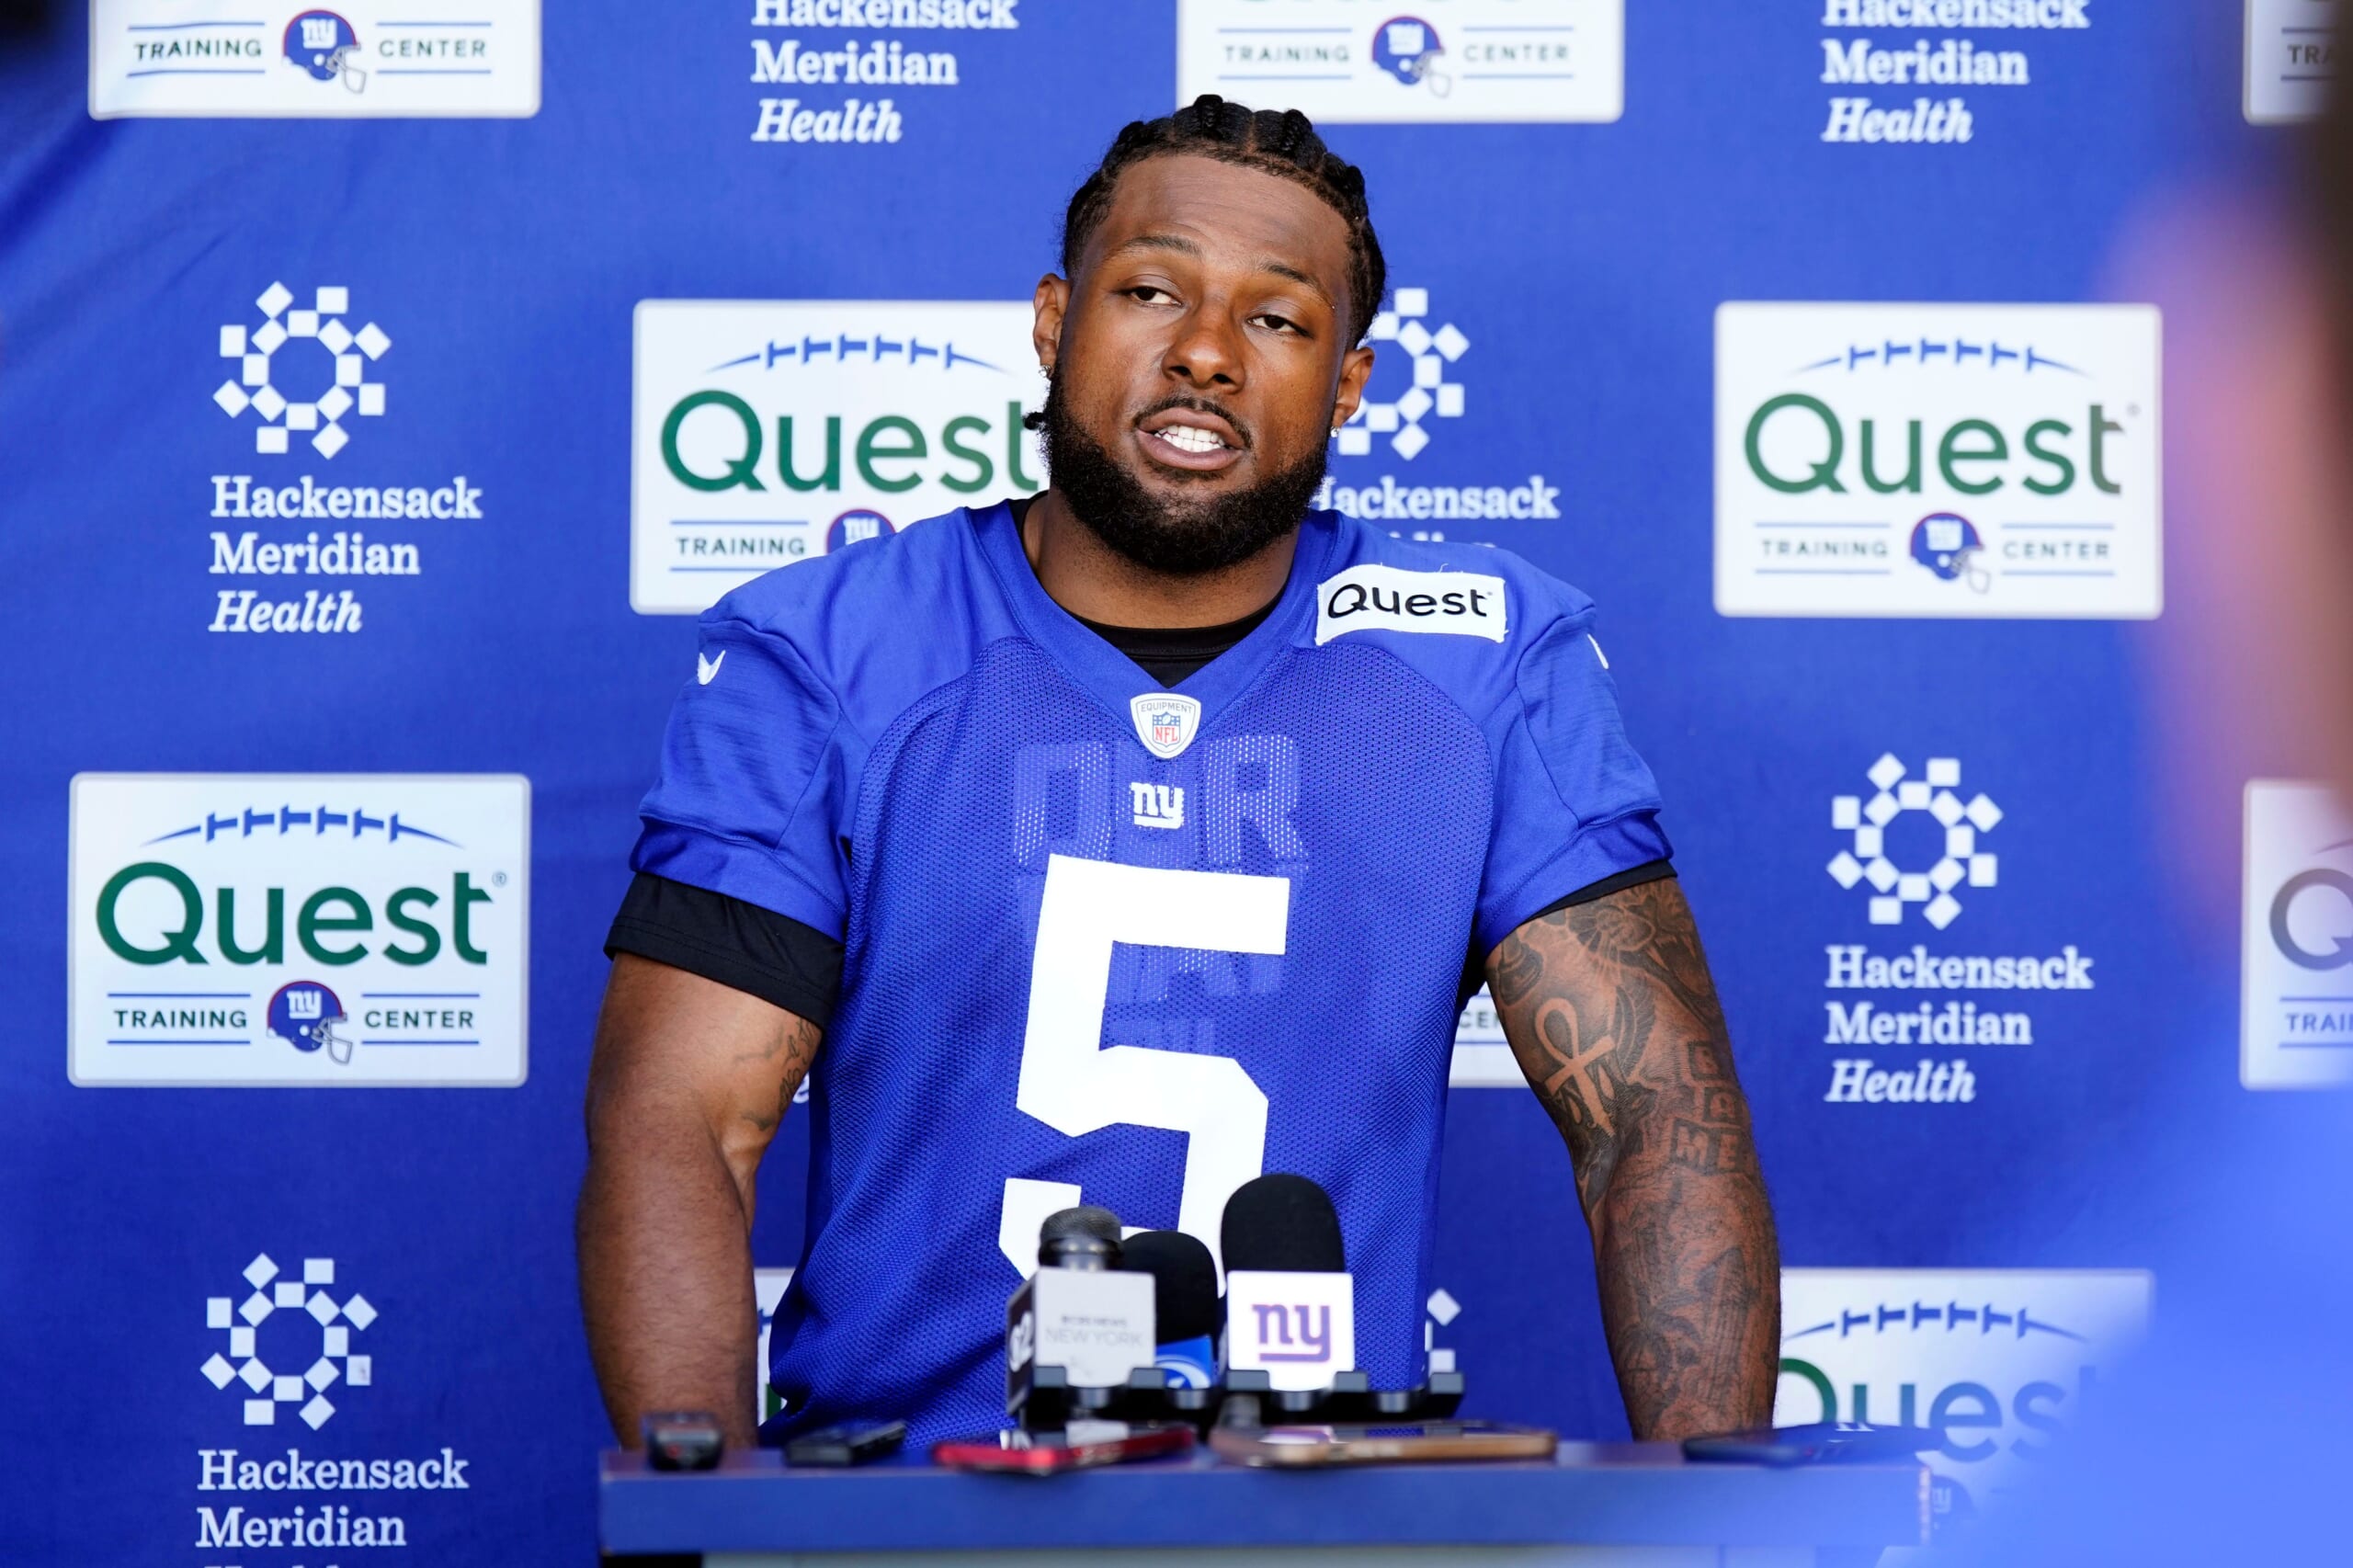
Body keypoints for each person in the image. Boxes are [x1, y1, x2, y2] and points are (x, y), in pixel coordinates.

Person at [576, 95, 1779, 1449]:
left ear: (1349, 385)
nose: (1206, 351)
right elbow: (681, 1119)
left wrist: (1718, 1509)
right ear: (1053, 323)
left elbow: (1653, 1114)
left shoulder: (1480, 662)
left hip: (1320, 1510)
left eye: (1277, 318)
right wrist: (714, 1518)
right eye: (1152, 290)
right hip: (913, 1509)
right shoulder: (833, 652)